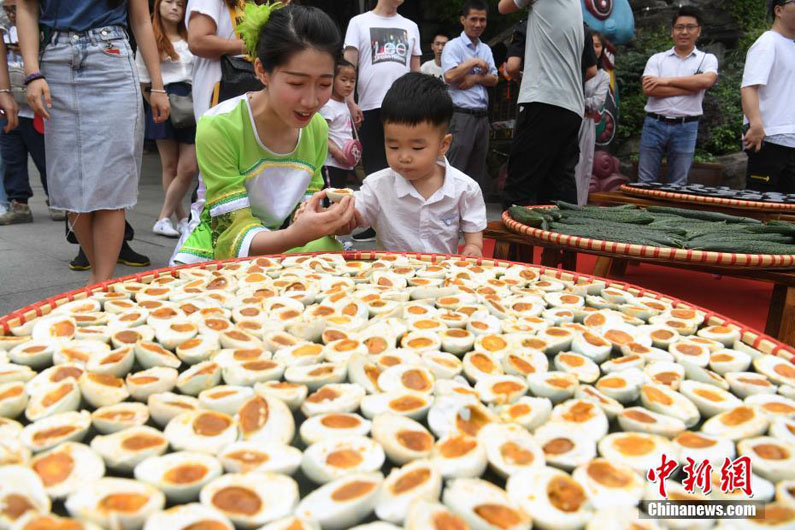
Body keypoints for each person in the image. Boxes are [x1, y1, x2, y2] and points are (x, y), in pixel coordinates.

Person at [171, 2, 356, 264]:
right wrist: (298, 234)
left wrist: (329, 222)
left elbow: (304, 211)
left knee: (329, 249)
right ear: (261, 71)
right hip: (214, 253)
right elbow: (230, 233)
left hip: (281, 247)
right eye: (296, 83)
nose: (311, 100)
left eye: (325, 84)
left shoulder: (317, 128)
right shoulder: (220, 126)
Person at [19, 0, 169, 284]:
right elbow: (27, 8)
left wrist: (157, 84)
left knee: (112, 184)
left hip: (111, 58)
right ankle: (101, 281)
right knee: (70, 185)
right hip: (56, 62)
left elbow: (140, 18)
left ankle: (101, 281)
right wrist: (32, 73)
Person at [353, 72, 487, 256]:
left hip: (442, 277)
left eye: (416, 148)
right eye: (393, 146)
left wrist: (473, 248)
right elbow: (353, 215)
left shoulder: (465, 189)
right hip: (391, 278)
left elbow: (474, 238)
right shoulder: (377, 186)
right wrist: (337, 216)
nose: (404, 157)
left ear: (443, 145)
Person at [344, 0, 421, 242]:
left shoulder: (411, 26)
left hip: (404, 106)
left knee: (407, 164)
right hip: (370, 105)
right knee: (376, 165)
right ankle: (373, 219)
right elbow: (348, 67)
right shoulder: (359, 23)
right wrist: (349, 100)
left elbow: (415, 70)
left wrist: (419, 103)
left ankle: (405, 219)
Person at [498, 0, 586, 209]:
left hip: (544, 100)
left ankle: (513, 243)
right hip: (571, 105)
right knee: (558, 194)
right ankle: (560, 242)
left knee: (518, 190)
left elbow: (503, 6)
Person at [637, 6, 718, 186]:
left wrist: (665, 81)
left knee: (678, 184)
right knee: (644, 182)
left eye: (690, 27)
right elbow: (649, 89)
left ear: (699, 31)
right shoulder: (657, 59)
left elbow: (706, 81)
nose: (684, 32)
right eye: (679, 27)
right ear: (672, 31)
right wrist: (691, 86)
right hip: (654, 124)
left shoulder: (707, 59)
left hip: (686, 126)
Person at [137, 0, 197, 238]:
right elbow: (143, 81)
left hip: (191, 102)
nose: (175, 8)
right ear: (157, 5)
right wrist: (154, 101)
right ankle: (180, 217)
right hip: (163, 101)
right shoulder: (149, 38)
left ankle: (163, 216)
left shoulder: (191, 36)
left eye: (180, 4)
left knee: (189, 167)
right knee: (169, 166)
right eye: (169, 2)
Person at [0, 0, 56, 225]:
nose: (12, 14)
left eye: (15, 8)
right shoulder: (4, 28)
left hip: (36, 108)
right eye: (7, 10)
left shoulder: (38, 22)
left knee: (45, 158)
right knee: (11, 158)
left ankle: (56, 200)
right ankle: (18, 203)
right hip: (11, 102)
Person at [441, 0, 498, 192]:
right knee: (455, 169)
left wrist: (473, 79)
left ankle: (468, 218)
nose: (478, 24)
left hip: (482, 117)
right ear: (463, 20)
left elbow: (494, 79)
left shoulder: (486, 49)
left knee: (476, 173)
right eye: (473, 19)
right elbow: (449, 76)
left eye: (482, 20)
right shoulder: (453, 46)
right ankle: (446, 214)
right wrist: (474, 62)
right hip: (461, 115)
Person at [742, 0, 795, 193]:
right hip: (768, 139)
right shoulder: (767, 42)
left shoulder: (791, 45)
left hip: (790, 140)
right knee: (761, 206)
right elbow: (749, 87)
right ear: (779, 10)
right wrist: (755, 124)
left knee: (787, 211)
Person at [574, 31, 610, 205]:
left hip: (586, 123)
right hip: (567, 121)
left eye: (597, 45)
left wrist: (574, 101)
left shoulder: (603, 76)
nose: (594, 49)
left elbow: (597, 103)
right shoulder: (573, 69)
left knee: (583, 166)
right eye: (591, 45)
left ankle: (578, 205)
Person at [320, 58, 357, 190]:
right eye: (343, 80)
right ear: (332, 80)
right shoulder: (329, 106)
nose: (348, 84)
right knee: (330, 196)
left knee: (338, 193)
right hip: (331, 162)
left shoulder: (344, 104)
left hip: (343, 162)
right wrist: (336, 152)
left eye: (352, 81)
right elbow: (320, 133)